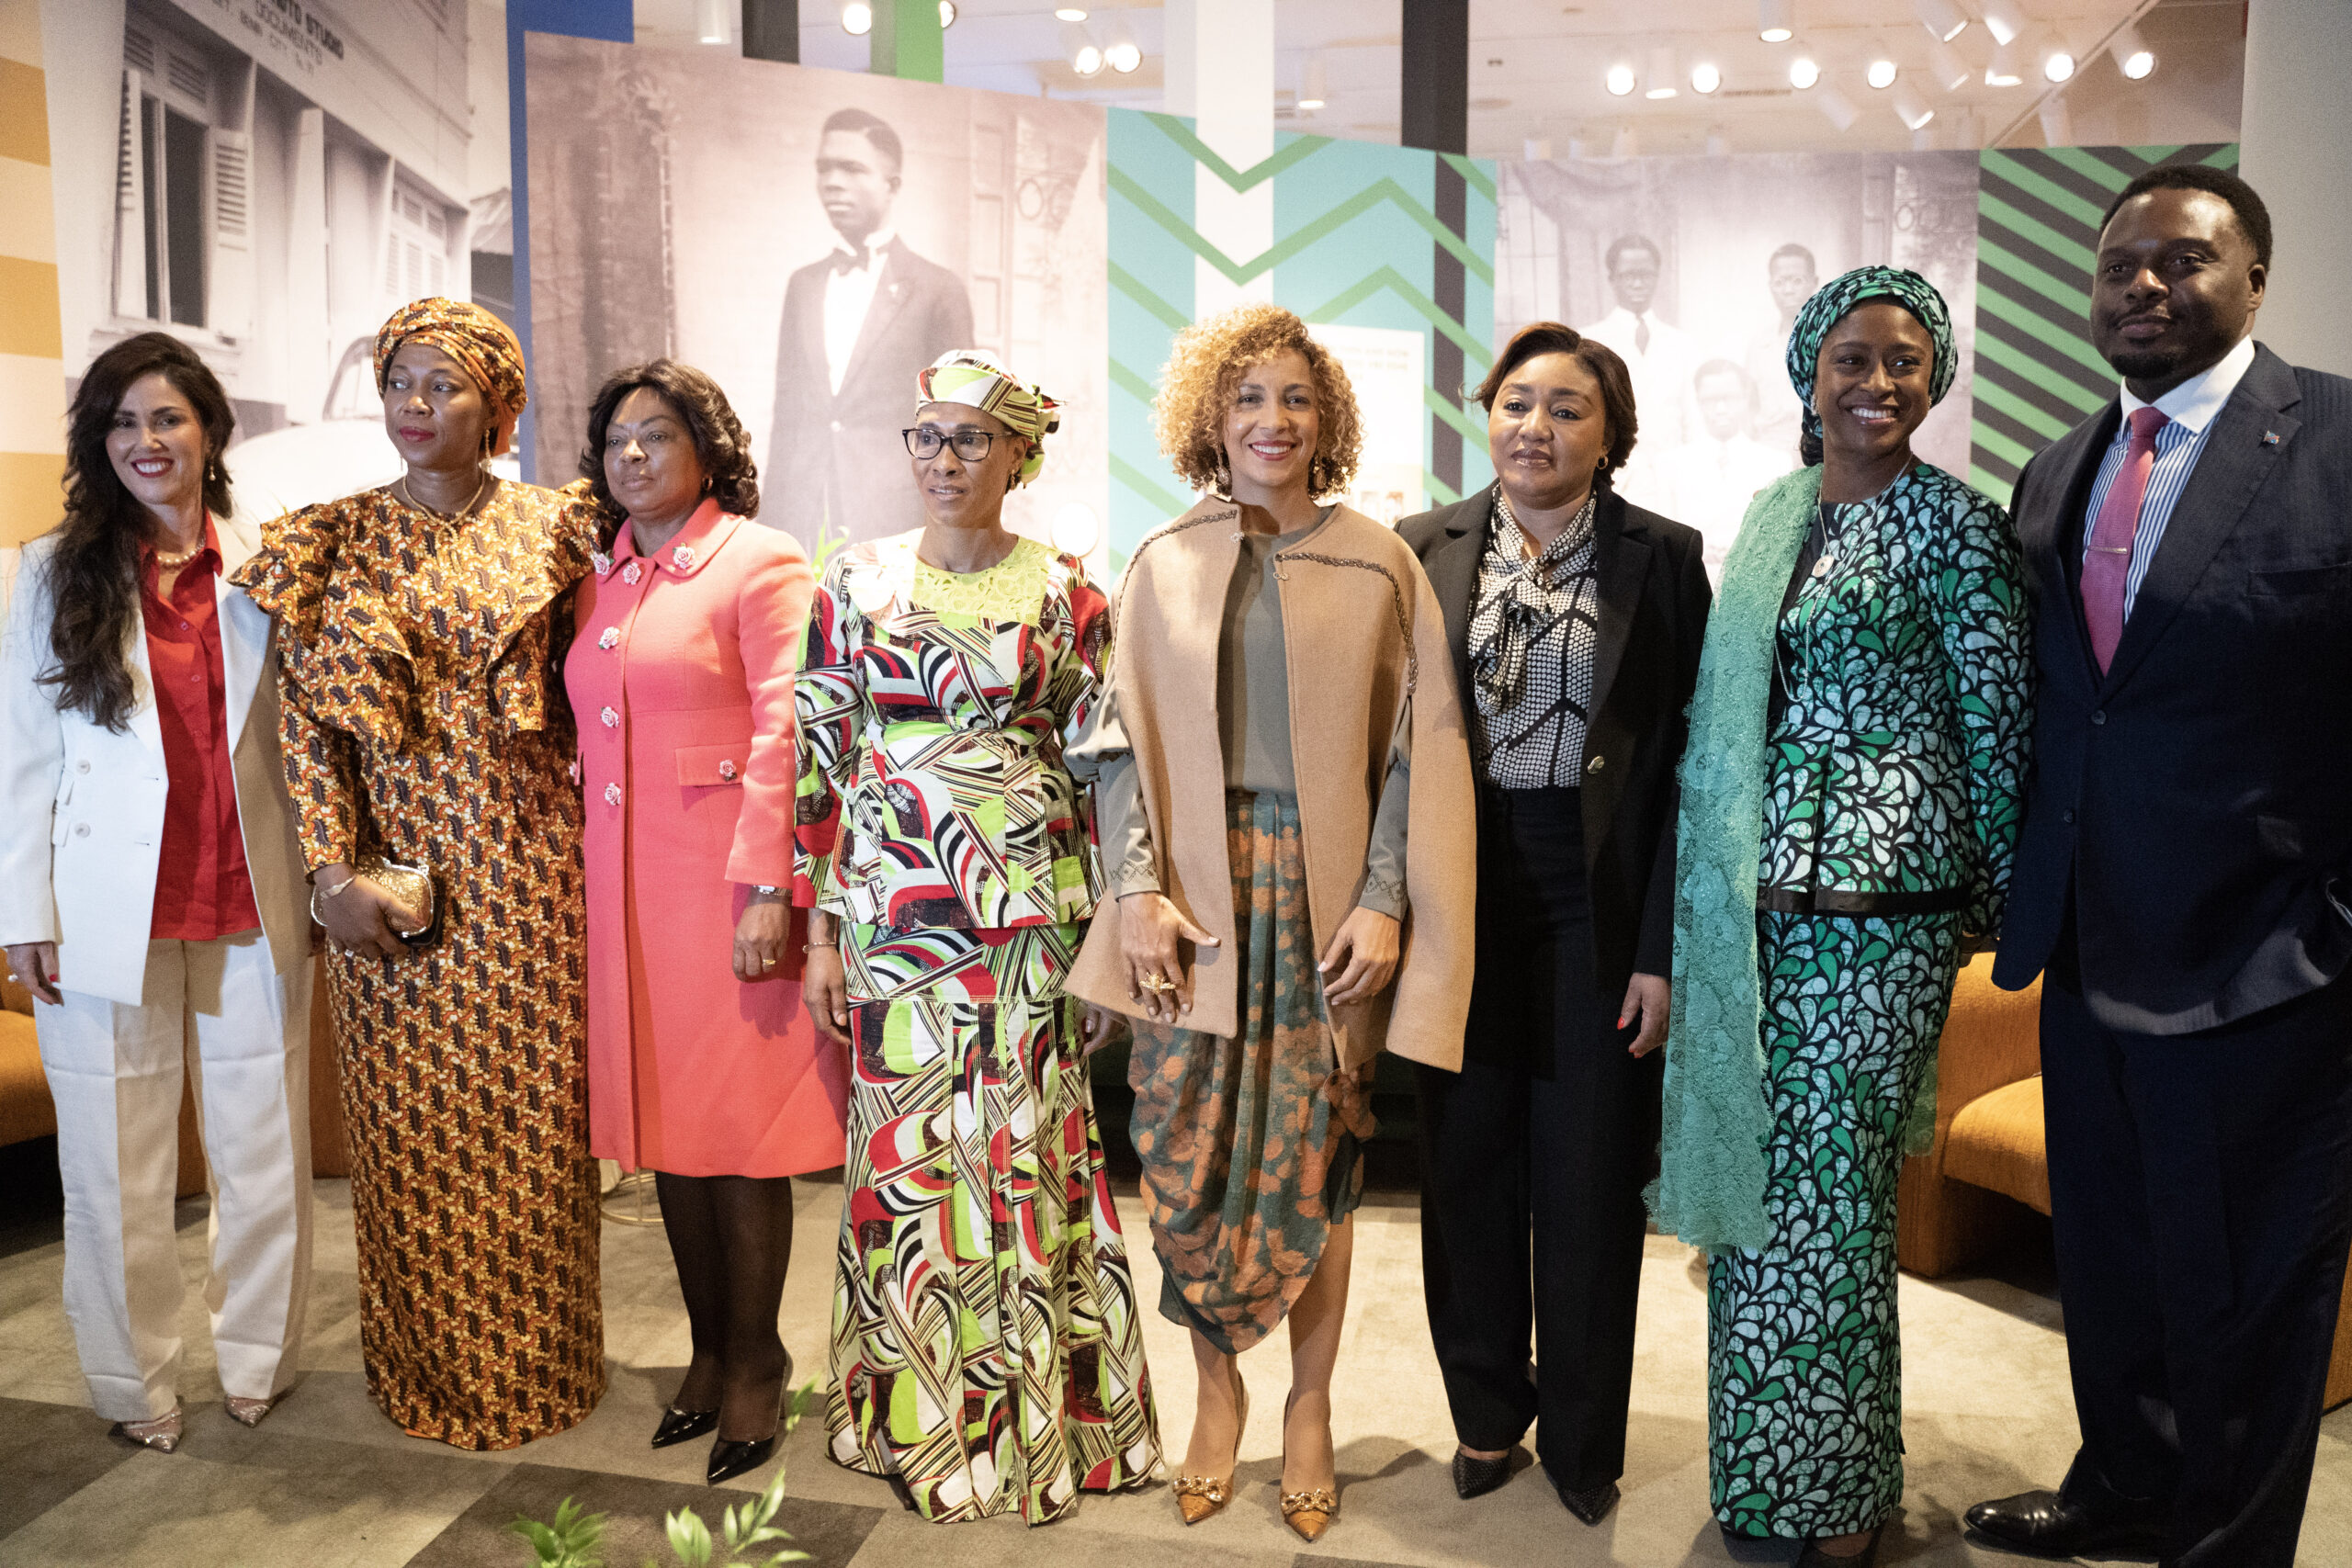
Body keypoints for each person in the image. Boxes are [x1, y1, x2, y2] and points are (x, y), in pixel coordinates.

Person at [1963, 167, 2352, 1568]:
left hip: (2270, 960)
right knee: (2114, 1262)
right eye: (2119, 262)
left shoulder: (2339, 442)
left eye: (2182, 261)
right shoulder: (2059, 463)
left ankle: (2225, 1546)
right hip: (2087, 947)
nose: (2142, 284)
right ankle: (2126, 1483)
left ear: (2256, 280)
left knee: (2246, 1291)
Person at [1065, 304, 1477, 1542]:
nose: (1272, 420)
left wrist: (1387, 897)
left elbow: (1419, 749)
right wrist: (1135, 889)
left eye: (1296, 397)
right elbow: (1117, 746)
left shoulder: (1378, 563)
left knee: (1318, 1156)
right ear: (1210, 417)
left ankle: (1307, 1404)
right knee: (1183, 1153)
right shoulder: (1162, 561)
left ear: (1328, 420)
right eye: (1247, 396)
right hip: (1191, 901)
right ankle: (1216, 1393)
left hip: (1326, 897)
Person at [1652, 267, 2031, 1565]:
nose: (1879, 382)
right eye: (1854, 358)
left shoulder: (1953, 525)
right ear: (1808, 372)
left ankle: (1839, 1493)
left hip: (1886, 913)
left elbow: (1999, 727)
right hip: (1757, 914)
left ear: (1938, 379)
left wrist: (1986, 907)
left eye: (1907, 360)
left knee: (1831, 1203)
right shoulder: (1772, 515)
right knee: (1765, 1202)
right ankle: (1774, 1480)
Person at [231, 298, 605, 1450]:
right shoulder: (327, 538)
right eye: (400, 382)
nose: (416, 406)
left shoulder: (560, 528)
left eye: (443, 385)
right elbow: (307, 729)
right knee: (410, 1145)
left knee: (540, 1137)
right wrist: (332, 872)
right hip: (392, 894)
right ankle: (425, 1372)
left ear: (497, 404)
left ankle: (547, 1371)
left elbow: (602, 705)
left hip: (539, 882)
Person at [794, 350, 1158, 1523]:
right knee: (909, 1171)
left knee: (1031, 1152)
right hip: (894, 914)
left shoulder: (1068, 593)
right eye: (926, 438)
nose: (944, 460)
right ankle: (920, 1416)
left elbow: (1098, 768)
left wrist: (1106, 935)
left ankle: (1039, 1422)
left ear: (1017, 455)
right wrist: (816, 931)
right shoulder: (848, 582)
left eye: (969, 439)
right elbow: (820, 761)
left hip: (1030, 920)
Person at [1394, 321, 1709, 1523]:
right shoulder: (1423, 547)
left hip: (1599, 900)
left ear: (1609, 431)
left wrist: (1658, 953)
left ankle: (1582, 1438)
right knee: (1466, 1168)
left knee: (1586, 1182)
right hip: (1461, 896)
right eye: (1516, 401)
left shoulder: (1662, 557)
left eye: (1567, 407)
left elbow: (1688, 759)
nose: (1536, 425)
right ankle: (1485, 1415)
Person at [0, 333, 313, 1453]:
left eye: (168, 419)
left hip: (251, 895)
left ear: (210, 432)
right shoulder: (46, 570)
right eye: (124, 422)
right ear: (99, 441)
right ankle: (133, 1381)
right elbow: (20, 754)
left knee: (262, 1149)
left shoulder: (270, 564)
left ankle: (259, 1357)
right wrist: (23, 914)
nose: (147, 441)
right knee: (115, 1166)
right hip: (101, 911)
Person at [567, 359, 848, 1484]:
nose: (632, 455)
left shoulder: (759, 558)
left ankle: (759, 1365)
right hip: (629, 899)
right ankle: (704, 1349)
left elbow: (792, 729)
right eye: (616, 439)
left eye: (656, 435)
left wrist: (773, 887)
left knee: (740, 1141)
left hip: (730, 895)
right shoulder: (607, 578)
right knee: (672, 1142)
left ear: (706, 447)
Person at [766, 107, 975, 555]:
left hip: (897, 521)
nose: (832, 181)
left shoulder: (938, 291)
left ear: (892, 184)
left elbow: (959, 428)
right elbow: (786, 416)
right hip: (803, 517)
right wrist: (772, 525)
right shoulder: (803, 285)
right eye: (824, 168)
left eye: (852, 168)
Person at [1580, 234, 1697, 508]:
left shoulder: (1683, 344)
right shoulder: (1587, 342)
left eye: (1645, 275)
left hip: (1671, 475)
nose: (1637, 283)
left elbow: (1692, 417)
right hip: (1612, 476)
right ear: (1612, 279)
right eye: (1627, 275)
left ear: (1657, 277)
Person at [1667, 359, 1793, 583]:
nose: (1721, 409)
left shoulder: (1776, 463)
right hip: (1688, 584)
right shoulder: (1671, 464)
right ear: (1698, 402)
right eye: (1710, 400)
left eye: (1730, 398)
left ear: (1745, 399)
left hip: (1751, 585)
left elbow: (1780, 542)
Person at [1743, 243, 1820, 460]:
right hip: (1769, 453)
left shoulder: (1832, 341)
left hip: (1818, 454)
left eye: (1797, 281)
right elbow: (1749, 407)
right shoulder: (1758, 346)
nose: (1788, 290)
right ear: (1770, 286)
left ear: (1814, 283)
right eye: (1780, 282)